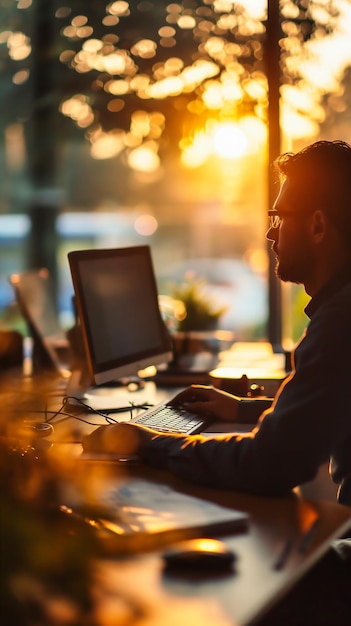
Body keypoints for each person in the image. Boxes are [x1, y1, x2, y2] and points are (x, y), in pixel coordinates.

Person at [83, 140, 351, 505]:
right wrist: (241, 408)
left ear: (318, 226)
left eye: (279, 217)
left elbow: (268, 464)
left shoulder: (339, 323)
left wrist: (147, 441)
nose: (271, 234)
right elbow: (326, 411)